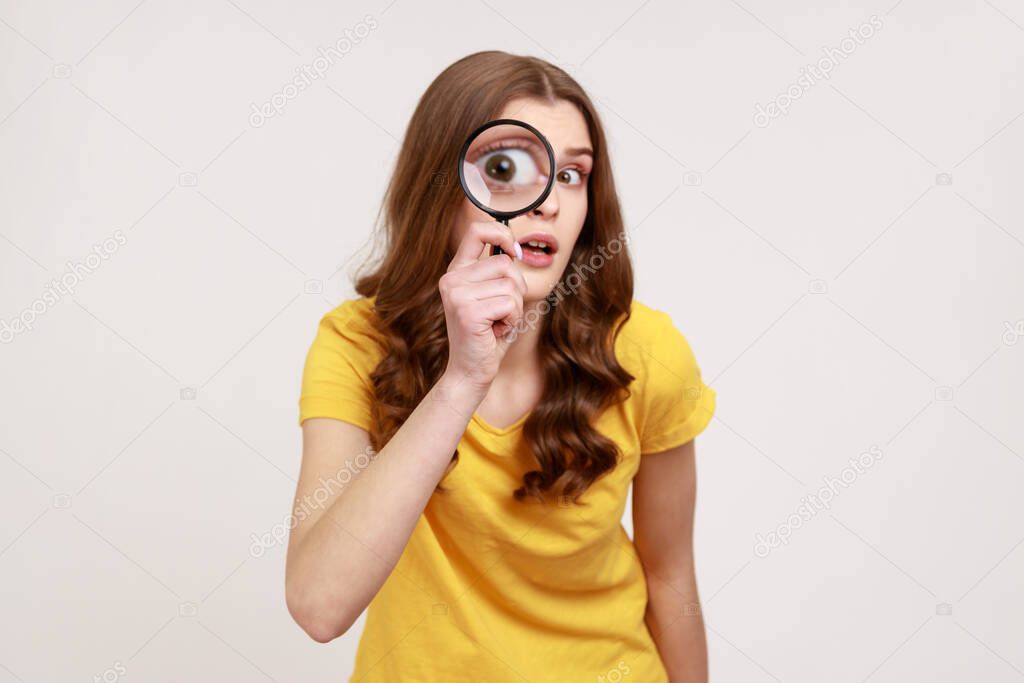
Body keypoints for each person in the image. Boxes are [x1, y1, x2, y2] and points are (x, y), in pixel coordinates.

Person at [285, 50, 716, 682]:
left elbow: (670, 573)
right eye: (508, 168)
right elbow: (319, 604)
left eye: (572, 176)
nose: (549, 204)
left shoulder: (646, 352)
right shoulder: (357, 344)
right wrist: (463, 379)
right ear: (442, 187)